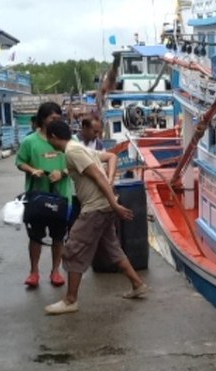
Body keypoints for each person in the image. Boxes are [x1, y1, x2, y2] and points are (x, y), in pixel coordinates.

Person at [42, 119, 148, 315]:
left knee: (74, 248)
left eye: (47, 137)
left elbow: (98, 177)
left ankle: (70, 300)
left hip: (95, 208)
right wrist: (111, 193)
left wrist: (114, 203)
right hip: (103, 207)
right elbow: (111, 157)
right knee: (112, 248)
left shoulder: (73, 151)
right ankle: (137, 284)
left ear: (54, 137)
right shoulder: (81, 149)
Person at [15, 101, 73, 288]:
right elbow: (20, 162)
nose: (56, 121)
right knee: (35, 237)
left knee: (58, 237)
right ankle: (34, 272)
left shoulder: (70, 140)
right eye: (52, 118)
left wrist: (62, 172)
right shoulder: (30, 141)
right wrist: (32, 170)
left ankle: (56, 271)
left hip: (61, 197)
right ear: (43, 119)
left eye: (59, 118)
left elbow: (79, 162)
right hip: (37, 198)